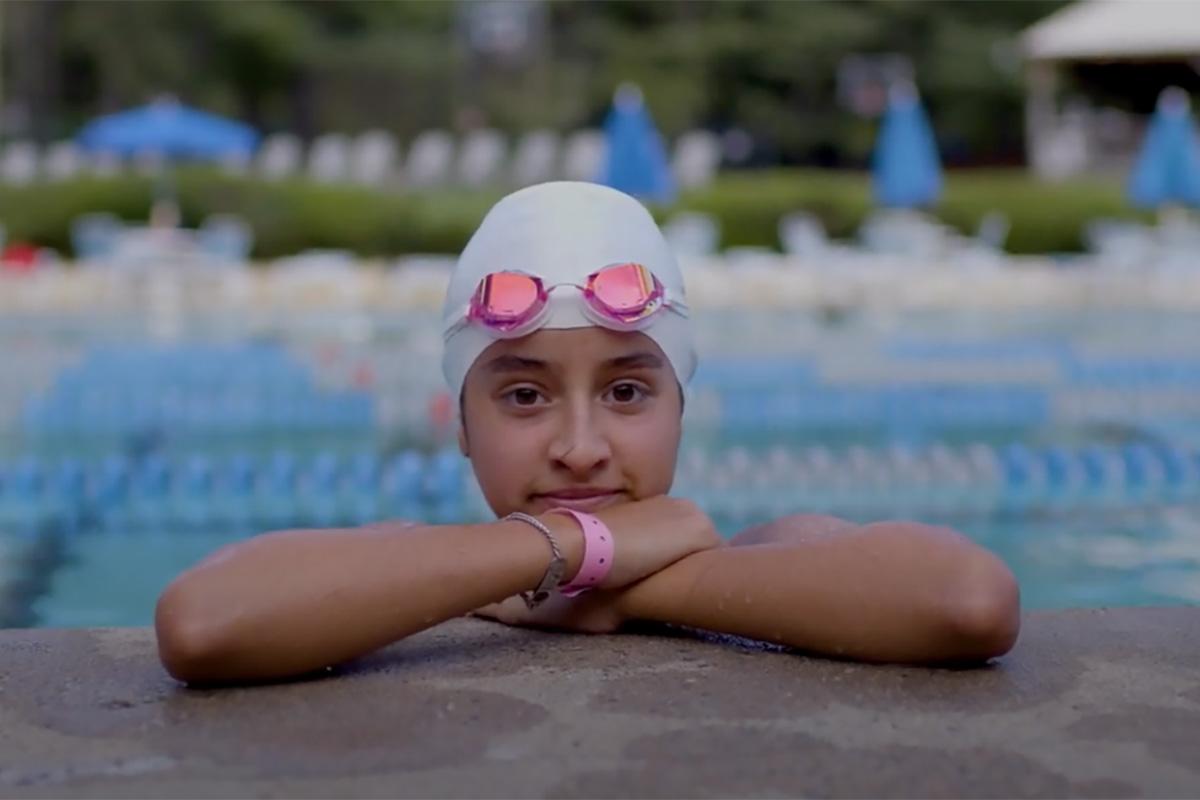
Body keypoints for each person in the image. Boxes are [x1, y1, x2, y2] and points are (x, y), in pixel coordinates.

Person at [155, 182, 1019, 685]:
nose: (579, 445)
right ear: (460, 423)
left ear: (683, 406)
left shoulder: (774, 553)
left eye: (629, 391)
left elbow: (969, 602)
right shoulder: (416, 569)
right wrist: (571, 551)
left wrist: (604, 579)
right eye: (524, 396)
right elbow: (200, 624)